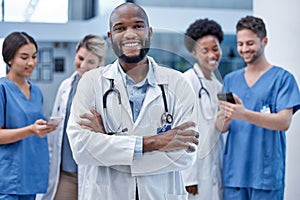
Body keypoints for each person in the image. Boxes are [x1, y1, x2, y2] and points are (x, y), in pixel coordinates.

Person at [66, 2, 200, 200]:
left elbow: (185, 155)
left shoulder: (177, 84)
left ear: (149, 32)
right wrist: (152, 143)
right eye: (120, 28)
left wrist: (107, 141)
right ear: (110, 37)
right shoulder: (91, 82)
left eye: (138, 26)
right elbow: (81, 149)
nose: (130, 34)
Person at [216, 15, 300, 200]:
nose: (244, 49)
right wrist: (225, 118)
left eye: (250, 43)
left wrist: (244, 114)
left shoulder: (283, 79)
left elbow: (284, 122)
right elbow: (222, 127)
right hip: (235, 175)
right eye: (240, 44)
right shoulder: (231, 79)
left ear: (264, 41)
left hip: (265, 175)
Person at [36, 34, 107, 200]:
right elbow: (55, 133)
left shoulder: (106, 89)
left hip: (94, 172)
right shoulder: (66, 86)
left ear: (100, 62)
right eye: (80, 58)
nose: (83, 65)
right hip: (66, 172)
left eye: (90, 62)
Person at [0, 32, 57, 199]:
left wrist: (44, 127)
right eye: (24, 57)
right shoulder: (2, 89)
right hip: (9, 177)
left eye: (33, 56)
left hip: (31, 174)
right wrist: (31, 130)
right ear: (9, 59)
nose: (31, 62)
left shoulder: (36, 91)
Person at [182, 18, 225, 200]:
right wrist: (188, 177)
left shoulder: (219, 86)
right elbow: (182, 131)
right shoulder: (187, 82)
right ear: (194, 52)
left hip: (215, 165)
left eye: (215, 48)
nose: (212, 55)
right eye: (204, 50)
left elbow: (218, 128)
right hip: (194, 173)